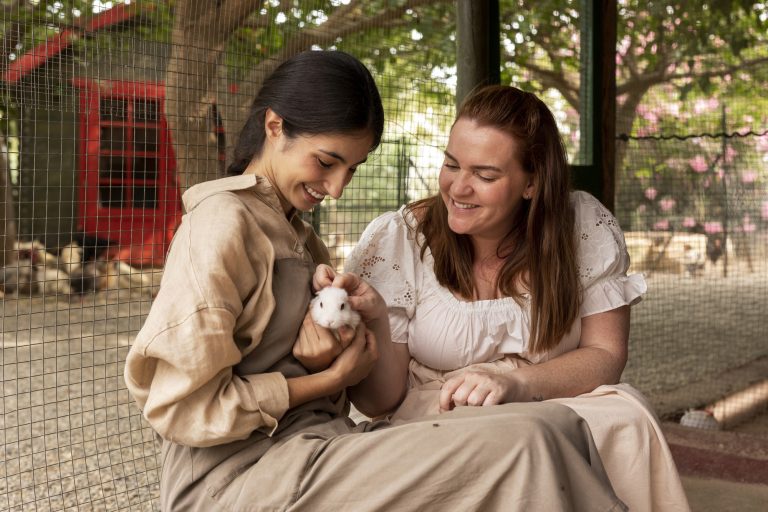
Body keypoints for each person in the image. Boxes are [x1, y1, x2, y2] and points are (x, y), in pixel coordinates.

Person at [125, 52, 626, 511]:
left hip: (322, 447)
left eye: (352, 168)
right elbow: (181, 408)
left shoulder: (300, 237)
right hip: (239, 476)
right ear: (274, 126)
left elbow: (308, 373)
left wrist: (330, 351)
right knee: (526, 442)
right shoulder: (220, 223)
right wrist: (329, 379)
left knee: (554, 424)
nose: (338, 188)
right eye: (326, 161)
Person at [343, 84, 691, 512]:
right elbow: (380, 402)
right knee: (514, 439)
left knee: (628, 419)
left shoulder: (581, 224)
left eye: (485, 175)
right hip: (442, 409)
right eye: (452, 164)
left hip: (552, 395)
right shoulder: (402, 237)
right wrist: (375, 320)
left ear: (532, 183)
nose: (458, 187)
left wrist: (516, 383)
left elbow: (606, 355)